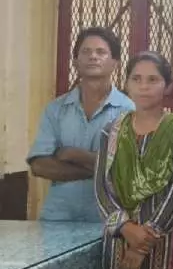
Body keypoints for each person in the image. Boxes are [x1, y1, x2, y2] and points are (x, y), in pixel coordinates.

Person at [90, 52, 173, 269]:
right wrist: (126, 228)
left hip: (166, 241)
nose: (144, 86)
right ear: (126, 83)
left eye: (153, 80)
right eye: (136, 79)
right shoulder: (111, 132)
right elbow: (102, 187)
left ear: (167, 85)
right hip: (120, 240)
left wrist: (143, 242)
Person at [27, 27, 134, 221]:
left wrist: (73, 154)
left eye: (101, 52)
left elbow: (126, 169)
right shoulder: (55, 109)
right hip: (57, 218)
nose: (93, 56)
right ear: (75, 62)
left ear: (114, 63)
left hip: (108, 219)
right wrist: (101, 170)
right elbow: (39, 165)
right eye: (86, 51)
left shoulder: (128, 110)